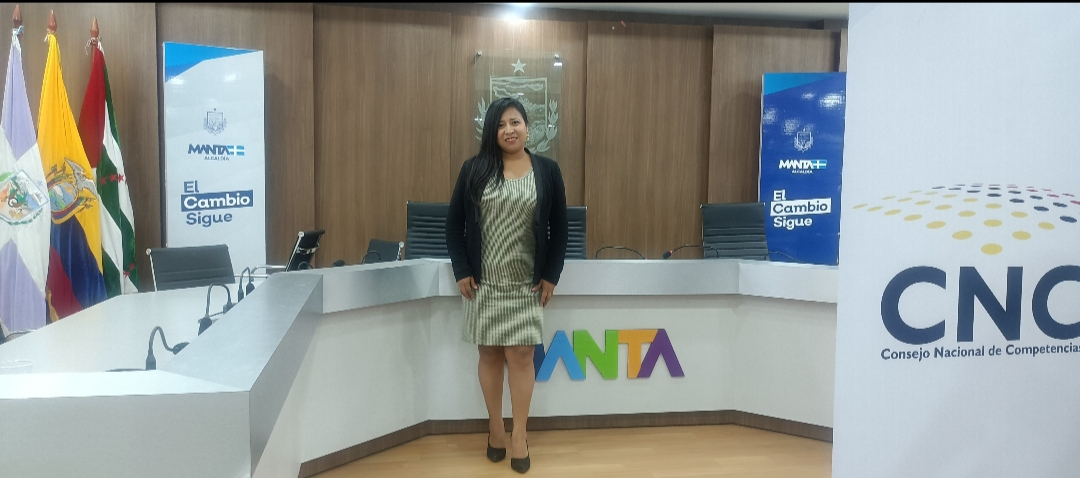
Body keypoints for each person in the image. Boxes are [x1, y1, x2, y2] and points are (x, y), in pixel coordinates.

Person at [445, 96, 568, 474]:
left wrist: (551, 276)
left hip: (526, 284)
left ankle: (520, 434)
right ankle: (495, 428)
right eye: (500, 124)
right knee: (489, 355)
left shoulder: (547, 171)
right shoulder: (474, 169)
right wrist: (461, 269)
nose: (509, 130)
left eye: (515, 122)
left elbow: (560, 229)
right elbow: (453, 225)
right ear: (491, 131)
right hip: (484, 284)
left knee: (522, 357)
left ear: (528, 127)